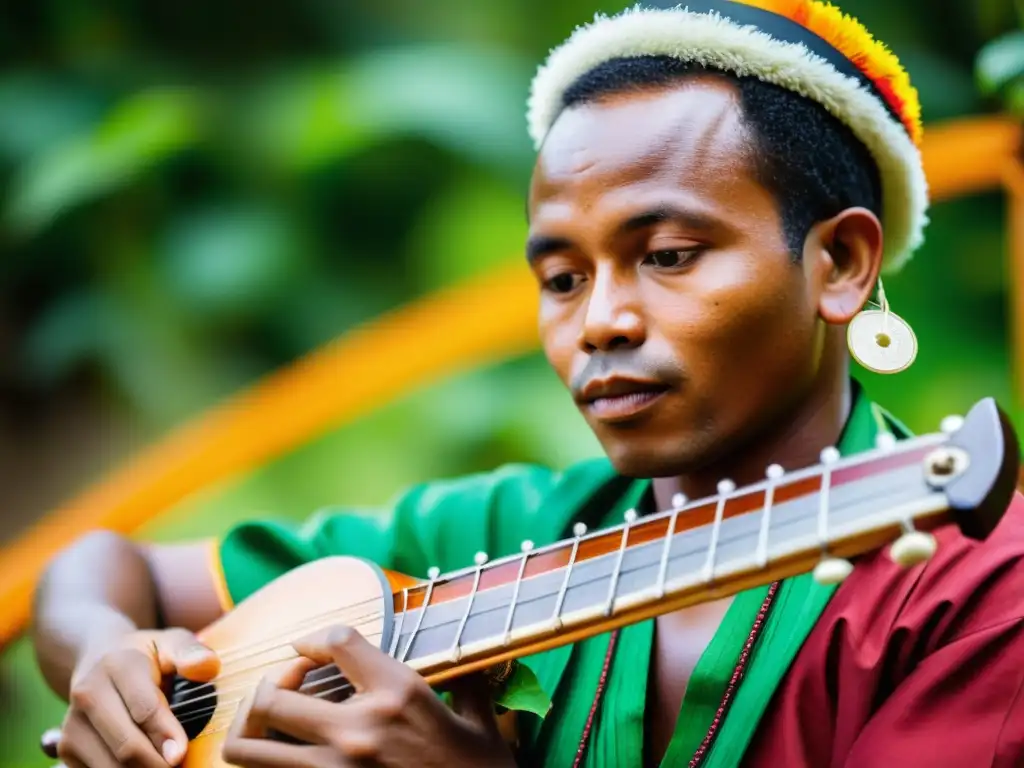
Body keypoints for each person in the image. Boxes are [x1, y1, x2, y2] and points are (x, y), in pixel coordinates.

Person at [30, 1, 1024, 766]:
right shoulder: (505, 533)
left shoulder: (981, 585)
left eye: (670, 254)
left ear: (840, 264)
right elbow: (101, 567)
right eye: (560, 278)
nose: (599, 321)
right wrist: (103, 654)